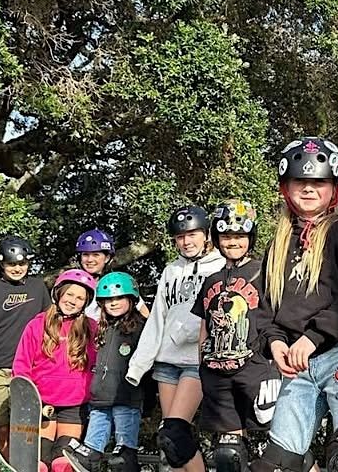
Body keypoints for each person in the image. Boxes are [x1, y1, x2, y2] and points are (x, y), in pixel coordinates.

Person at [251, 137, 338, 472]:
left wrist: (313, 338)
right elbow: (265, 306)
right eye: (301, 181)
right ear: (286, 186)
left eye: (319, 182)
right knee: (277, 463)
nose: (309, 189)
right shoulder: (278, 242)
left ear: (334, 188)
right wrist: (276, 342)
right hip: (296, 363)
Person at [126, 205, 226, 472]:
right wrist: (138, 365)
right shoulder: (171, 271)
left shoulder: (220, 266)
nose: (186, 241)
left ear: (206, 234)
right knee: (170, 444)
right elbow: (158, 318)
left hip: (196, 359)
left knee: (175, 435)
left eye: (192, 234)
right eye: (180, 237)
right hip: (166, 362)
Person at [191, 199, 284, 472]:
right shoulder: (211, 280)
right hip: (217, 373)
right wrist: (201, 364)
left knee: (283, 450)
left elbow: (277, 320)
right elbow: (204, 326)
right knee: (227, 455)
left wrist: (279, 366)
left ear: (251, 237)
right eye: (227, 236)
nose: (233, 241)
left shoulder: (264, 273)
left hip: (257, 371)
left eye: (240, 235)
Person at [0, 236, 52, 459]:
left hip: (29, 369)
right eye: (12, 264)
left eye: (22, 264)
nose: (17, 268)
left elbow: (50, 325)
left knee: (26, 428)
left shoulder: (38, 287)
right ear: (1, 264)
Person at [13, 269, 98, 471]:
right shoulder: (37, 324)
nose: (73, 301)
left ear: (85, 303)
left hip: (75, 405)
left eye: (80, 298)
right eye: (70, 294)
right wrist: (26, 397)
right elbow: (21, 364)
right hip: (43, 404)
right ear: (59, 293)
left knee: (63, 464)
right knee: (39, 464)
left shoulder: (91, 327)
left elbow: (99, 365)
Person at [63, 272, 146, 472]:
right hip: (99, 399)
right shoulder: (99, 329)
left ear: (132, 299)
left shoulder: (141, 328)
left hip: (127, 398)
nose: (113, 303)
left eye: (119, 298)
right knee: (88, 454)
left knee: (123, 458)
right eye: (108, 300)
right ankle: (91, 456)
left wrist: (148, 399)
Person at [76, 229, 149, 320]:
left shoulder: (118, 282)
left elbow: (145, 314)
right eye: (85, 255)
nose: (90, 260)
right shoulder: (70, 283)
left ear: (107, 258)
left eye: (96, 255)